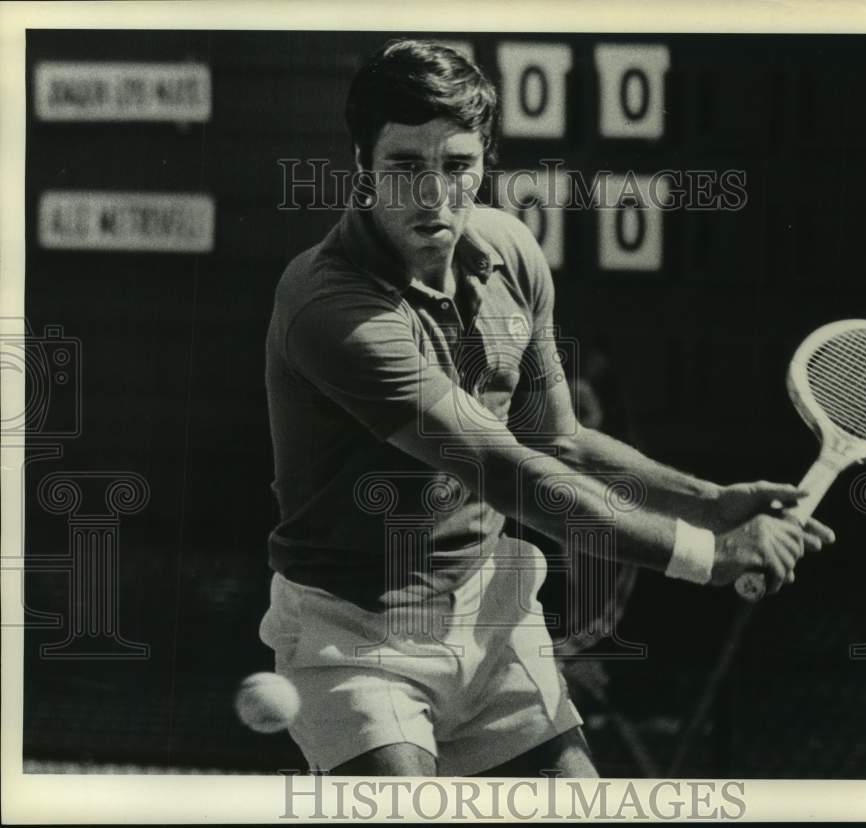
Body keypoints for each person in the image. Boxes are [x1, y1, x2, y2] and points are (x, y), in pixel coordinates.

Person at [260, 38, 835, 778]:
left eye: (457, 166)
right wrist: (706, 555)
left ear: (484, 164)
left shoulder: (512, 252)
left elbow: (557, 440)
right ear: (362, 165)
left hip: (494, 612)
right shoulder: (329, 307)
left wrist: (709, 501)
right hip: (356, 634)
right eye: (405, 166)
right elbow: (513, 475)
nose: (434, 195)